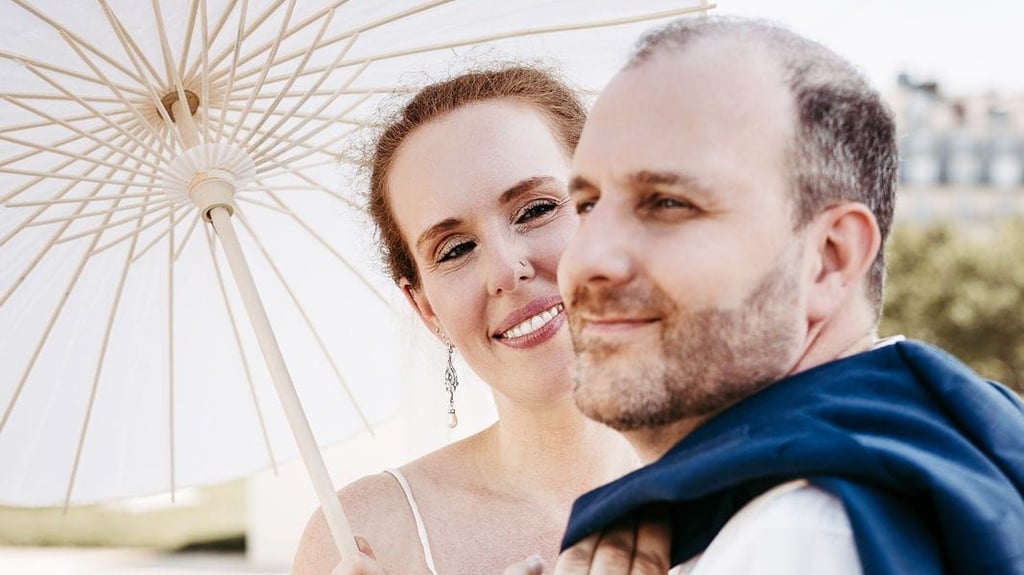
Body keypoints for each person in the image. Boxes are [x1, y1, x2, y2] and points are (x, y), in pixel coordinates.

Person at [544, 16, 1024, 575]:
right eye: (587, 205)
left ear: (830, 258)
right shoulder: (964, 444)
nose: (586, 260)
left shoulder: (798, 537)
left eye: (668, 203)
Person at [289, 66, 639, 575]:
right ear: (426, 308)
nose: (506, 271)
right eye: (454, 249)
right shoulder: (362, 538)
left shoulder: (749, 475)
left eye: (536, 210)